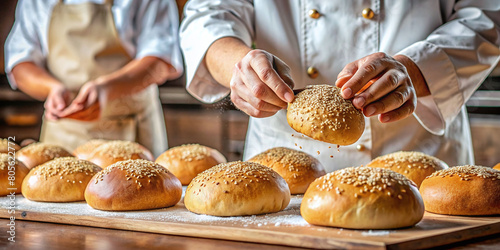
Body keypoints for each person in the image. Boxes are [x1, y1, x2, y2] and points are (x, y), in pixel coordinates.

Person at [180, 1, 500, 172]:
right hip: (282, 165)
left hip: (416, 153)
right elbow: (208, 14)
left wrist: (414, 69)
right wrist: (240, 65)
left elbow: (486, 14)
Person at [4, 0, 183, 157]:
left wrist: (107, 89)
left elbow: (160, 60)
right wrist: (53, 89)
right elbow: (20, 61)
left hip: (134, 132)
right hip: (62, 133)